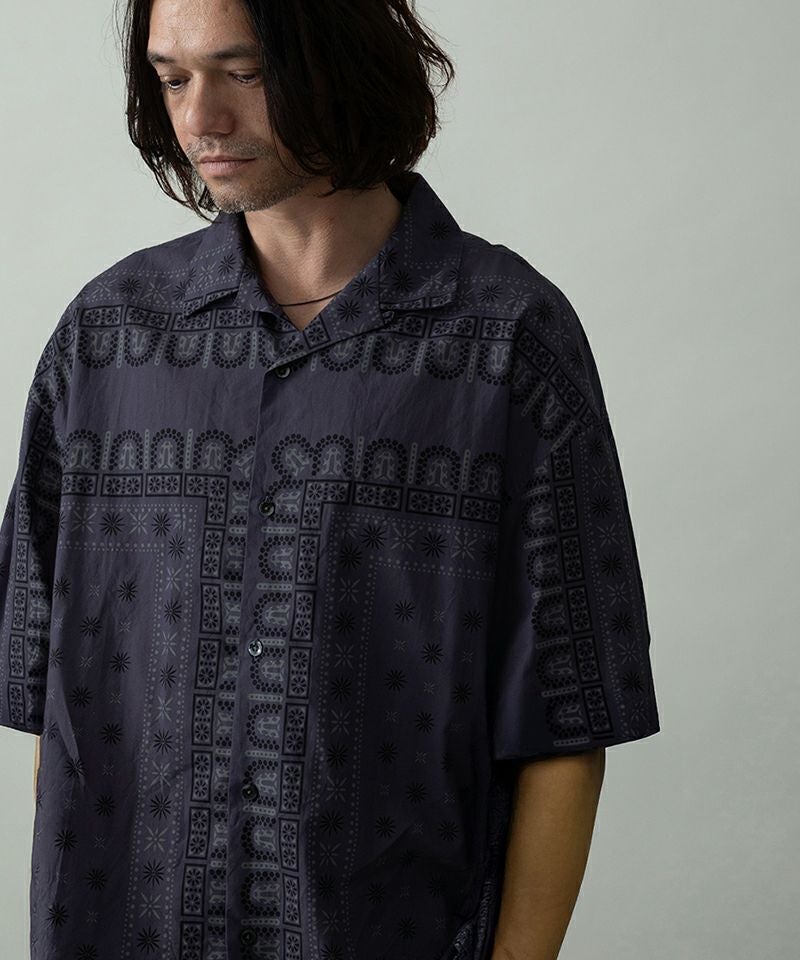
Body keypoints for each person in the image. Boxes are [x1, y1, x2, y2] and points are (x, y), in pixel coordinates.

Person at [0, 0, 661, 958]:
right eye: (173, 78)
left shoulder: (508, 342)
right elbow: (55, 701)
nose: (200, 119)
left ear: (342, 60)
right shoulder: (105, 342)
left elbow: (570, 713)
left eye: (244, 72)